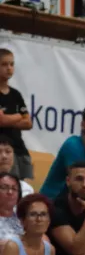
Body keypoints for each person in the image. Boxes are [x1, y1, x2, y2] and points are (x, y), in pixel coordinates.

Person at [0, 50, 31, 181]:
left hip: (19, 149)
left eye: (12, 64)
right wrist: (19, 116)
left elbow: (28, 123)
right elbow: (1, 121)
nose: (9, 68)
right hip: (2, 151)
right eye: (4, 64)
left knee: (22, 189)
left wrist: (10, 118)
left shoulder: (16, 94)